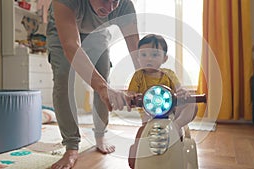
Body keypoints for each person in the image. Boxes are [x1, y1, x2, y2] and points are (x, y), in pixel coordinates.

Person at [46, 0, 139, 168]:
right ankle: (71, 146)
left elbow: (137, 52)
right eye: (104, 0)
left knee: (103, 75)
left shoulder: (125, 5)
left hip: (97, 32)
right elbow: (71, 46)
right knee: (63, 79)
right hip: (63, 29)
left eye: (114, 1)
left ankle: (100, 135)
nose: (110, 9)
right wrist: (104, 88)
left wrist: (147, 81)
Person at [127, 34, 198, 133]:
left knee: (192, 105)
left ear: (164, 58)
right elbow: (130, 94)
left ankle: (176, 125)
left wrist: (184, 93)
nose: (149, 59)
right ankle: (136, 147)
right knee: (141, 134)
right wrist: (132, 98)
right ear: (138, 57)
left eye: (155, 55)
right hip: (148, 114)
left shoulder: (169, 74)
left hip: (170, 112)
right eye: (143, 55)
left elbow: (179, 90)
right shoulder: (138, 76)